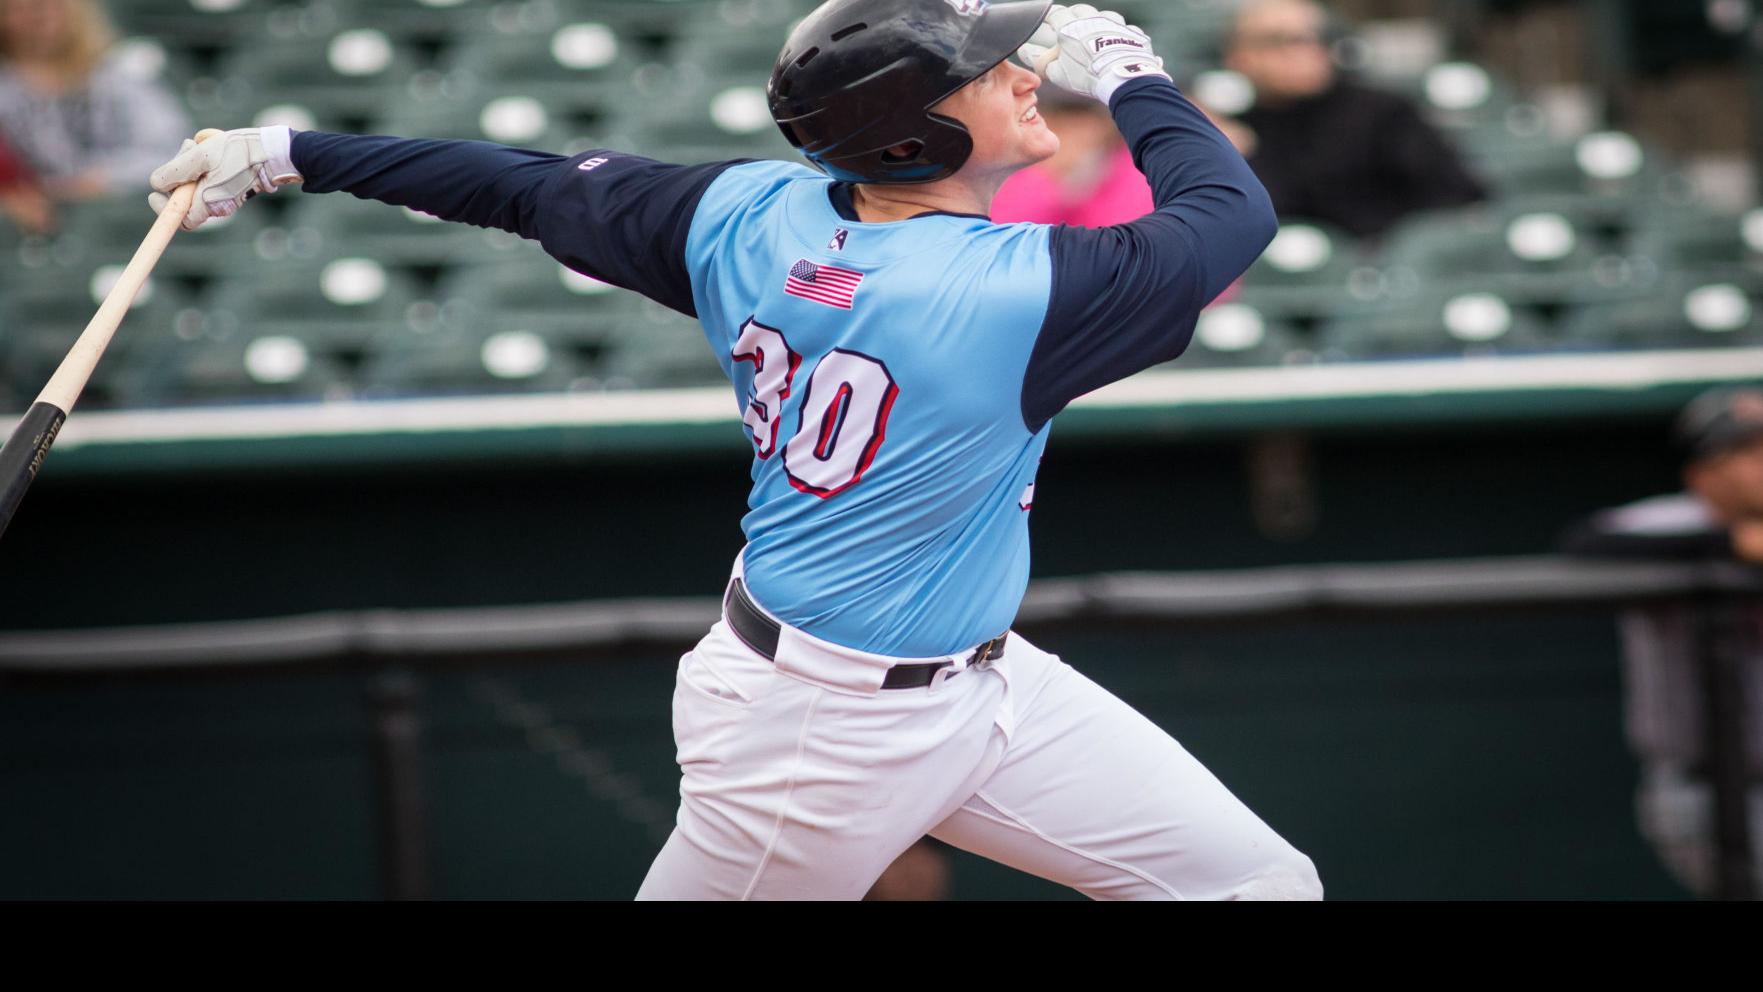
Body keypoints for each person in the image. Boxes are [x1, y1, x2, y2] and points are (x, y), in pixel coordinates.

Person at [147, 0, 1322, 900]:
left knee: (1260, 884)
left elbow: (518, 184)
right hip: (815, 729)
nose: (1024, 75)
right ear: (915, 134)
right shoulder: (1014, 293)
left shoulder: (747, 213)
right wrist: (1131, 74)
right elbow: (1229, 215)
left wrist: (288, 146)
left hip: (988, 685)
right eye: (986, 70)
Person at [1561, 386, 1763, 898]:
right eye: (1746, 451)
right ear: (1702, 475)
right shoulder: (1672, 525)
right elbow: (1583, 545)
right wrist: (1729, 545)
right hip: (1700, 781)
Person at [1217, 0, 1486, 241]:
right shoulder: (1238, 131)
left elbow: (1456, 197)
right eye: (1280, 40)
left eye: (1319, 38)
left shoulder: (1383, 113)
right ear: (1238, 56)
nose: (1307, 50)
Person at [0, 0, 188, 225]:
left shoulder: (117, 74)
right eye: (19, 9)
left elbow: (174, 153)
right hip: (32, 232)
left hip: (123, 220)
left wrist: (102, 179)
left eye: (47, 5)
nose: (36, 17)